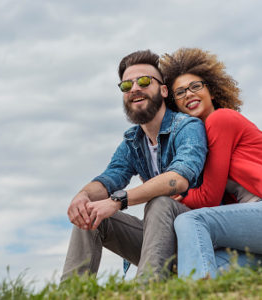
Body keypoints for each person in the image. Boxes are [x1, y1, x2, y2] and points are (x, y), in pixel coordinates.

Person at [61, 50, 207, 282]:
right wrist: (83, 195)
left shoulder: (187, 127)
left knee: (160, 202)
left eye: (144, 81)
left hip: (195, 239)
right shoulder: (132, 142)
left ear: (163, 90)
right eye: (126, 85)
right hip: (156, 243)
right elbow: (111, 177)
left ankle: (146, 290)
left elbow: (179, 178)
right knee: (88, 211)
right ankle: (70, 294)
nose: (134, 89)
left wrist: (118, 201)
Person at [159, 48, 262, 279]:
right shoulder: (197, 144)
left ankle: (197, 294)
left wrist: (176, 195)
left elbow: (209, 199)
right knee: (200, 264)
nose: (188, 94)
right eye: (180, 92)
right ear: (175, 104)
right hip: (250, 231)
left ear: (211, 91)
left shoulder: (221, 119)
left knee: (189, 220)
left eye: (196, 86)